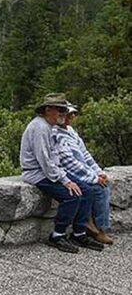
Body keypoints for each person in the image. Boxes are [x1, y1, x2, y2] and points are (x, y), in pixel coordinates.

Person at [20, 94, 103, 253]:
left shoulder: (49, 126)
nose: (64, 114)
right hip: (37, 173)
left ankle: (79, 233)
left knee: (87, 191)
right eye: (60, 110)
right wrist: (65, 180)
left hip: (52, 171)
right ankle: (57, 235)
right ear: (48, 109)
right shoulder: (40, 128)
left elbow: (53, 159)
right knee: (71, 196)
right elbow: (45, 161)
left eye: (65, 110)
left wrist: (65, 176)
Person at [54, 106, 113, 245]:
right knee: (98, 189)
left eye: (73, 114)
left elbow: (85, 155)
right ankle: (96, 228)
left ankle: (95, 226)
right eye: (68, 114)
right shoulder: (57, 134)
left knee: (102, 187)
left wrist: (99, 172)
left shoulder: (70, 131)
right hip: (70, 172)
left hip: (82, 171)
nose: (71, 117)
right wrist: (94, 178)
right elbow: (69, 163)